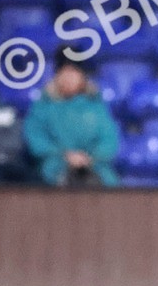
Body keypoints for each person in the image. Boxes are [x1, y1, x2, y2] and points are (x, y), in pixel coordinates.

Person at [24, 47, 120, 187]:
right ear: (57, 75)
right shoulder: (43, 105)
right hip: (54, 166)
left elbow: (109, 139)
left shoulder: (96, 105)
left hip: (94, 166)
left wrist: (89, 158)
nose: (69, 78)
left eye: (74, 72)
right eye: (64, 72)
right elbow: (35, 138)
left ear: (82, 76)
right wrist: (65, 156)